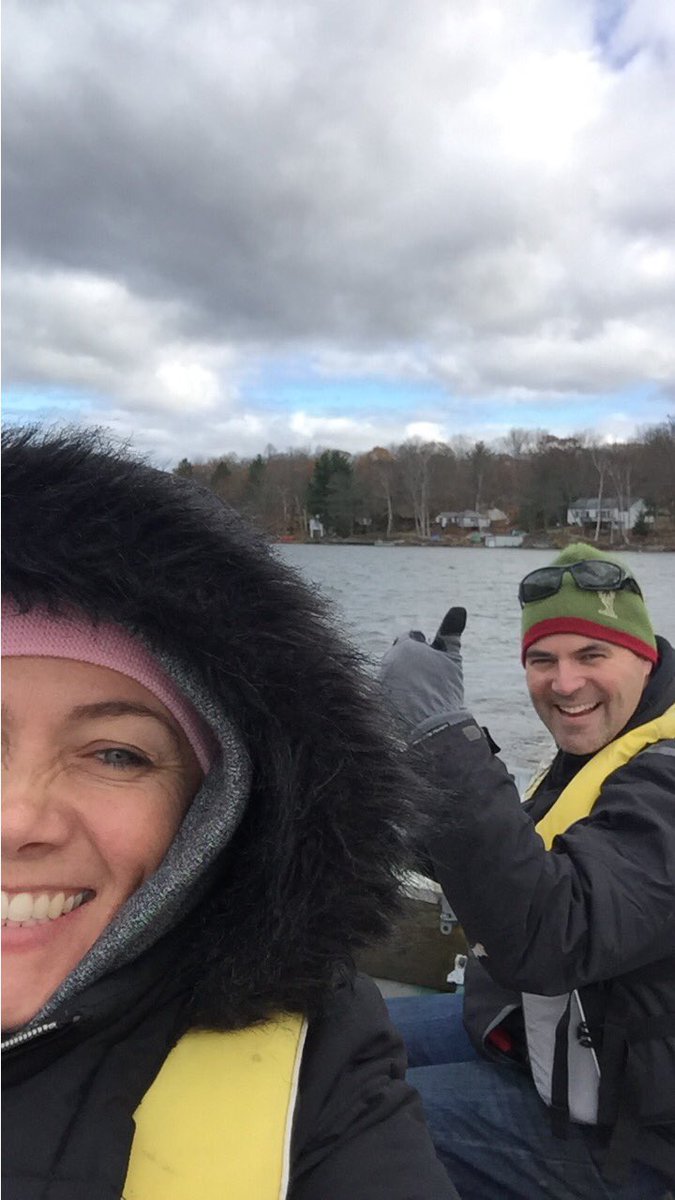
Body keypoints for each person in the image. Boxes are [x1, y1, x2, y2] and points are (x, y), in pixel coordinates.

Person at [1, 426, 459, 1200]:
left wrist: (453, 750)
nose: (18, 821)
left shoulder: (321, 1064)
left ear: (206, 813)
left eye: (117, 754)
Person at [380, 545, 675, 1200]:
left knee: (339, 1113)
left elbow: (555, 932)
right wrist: (411, 763)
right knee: (323, 1035)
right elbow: (507, 861)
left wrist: (441, 737)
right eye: (542, 660)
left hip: (628, 1132)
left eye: (590, 655)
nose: (563, 683)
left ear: (644, 655)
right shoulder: (607, 739)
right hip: (552, 1036)